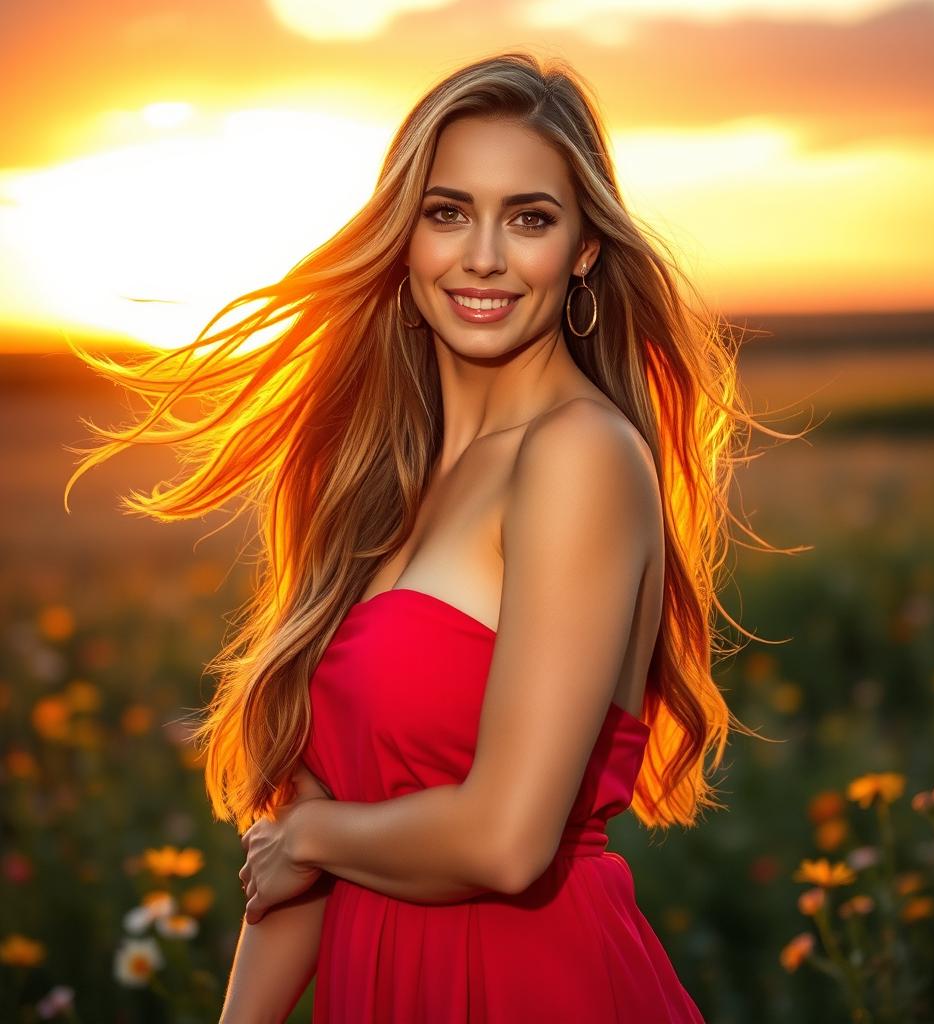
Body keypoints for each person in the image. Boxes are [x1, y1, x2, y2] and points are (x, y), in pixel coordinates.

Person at [65, 49, 795, 1024]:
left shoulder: (579, 456)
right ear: (404, 237)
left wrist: (320, 834)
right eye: (447, 211)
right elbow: (292, 855)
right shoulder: (380, 484)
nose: (482, 255)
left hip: (530, 987)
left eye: (528, 218)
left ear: (582, 248)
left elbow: (505, 840)